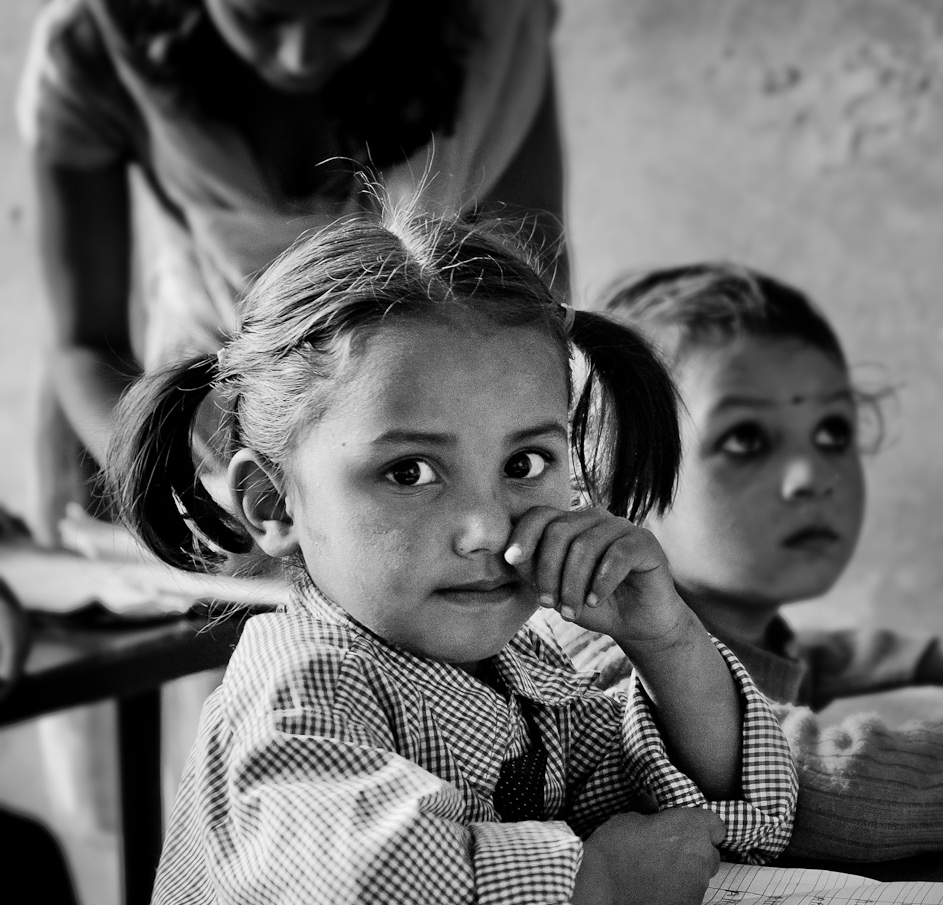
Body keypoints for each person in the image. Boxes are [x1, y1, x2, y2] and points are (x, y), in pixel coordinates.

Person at [65, 209, 796, 905]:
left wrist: (667, 642)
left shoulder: (525, 669)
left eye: (525, 464)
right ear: (274, 503)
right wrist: (597, 883)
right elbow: (349, 904)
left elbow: (733, 828)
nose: (486, 525)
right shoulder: (302, 680)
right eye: (408, 472)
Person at [556, 262, 943, 863]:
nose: (813, 475)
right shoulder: (602, 652)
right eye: (746, 439)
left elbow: (819, 658)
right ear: (611, 482)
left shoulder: (734, 632)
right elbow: (799, 783)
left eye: (833, 431)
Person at [18, 0, 567, 538]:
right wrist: (183, 503)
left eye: (345, 16)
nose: (300, 56)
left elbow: (531, 301)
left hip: (430, 448)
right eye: (260, 18)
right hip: (194, 444)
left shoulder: (494, 29)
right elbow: (86, 343)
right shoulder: (96, 44)